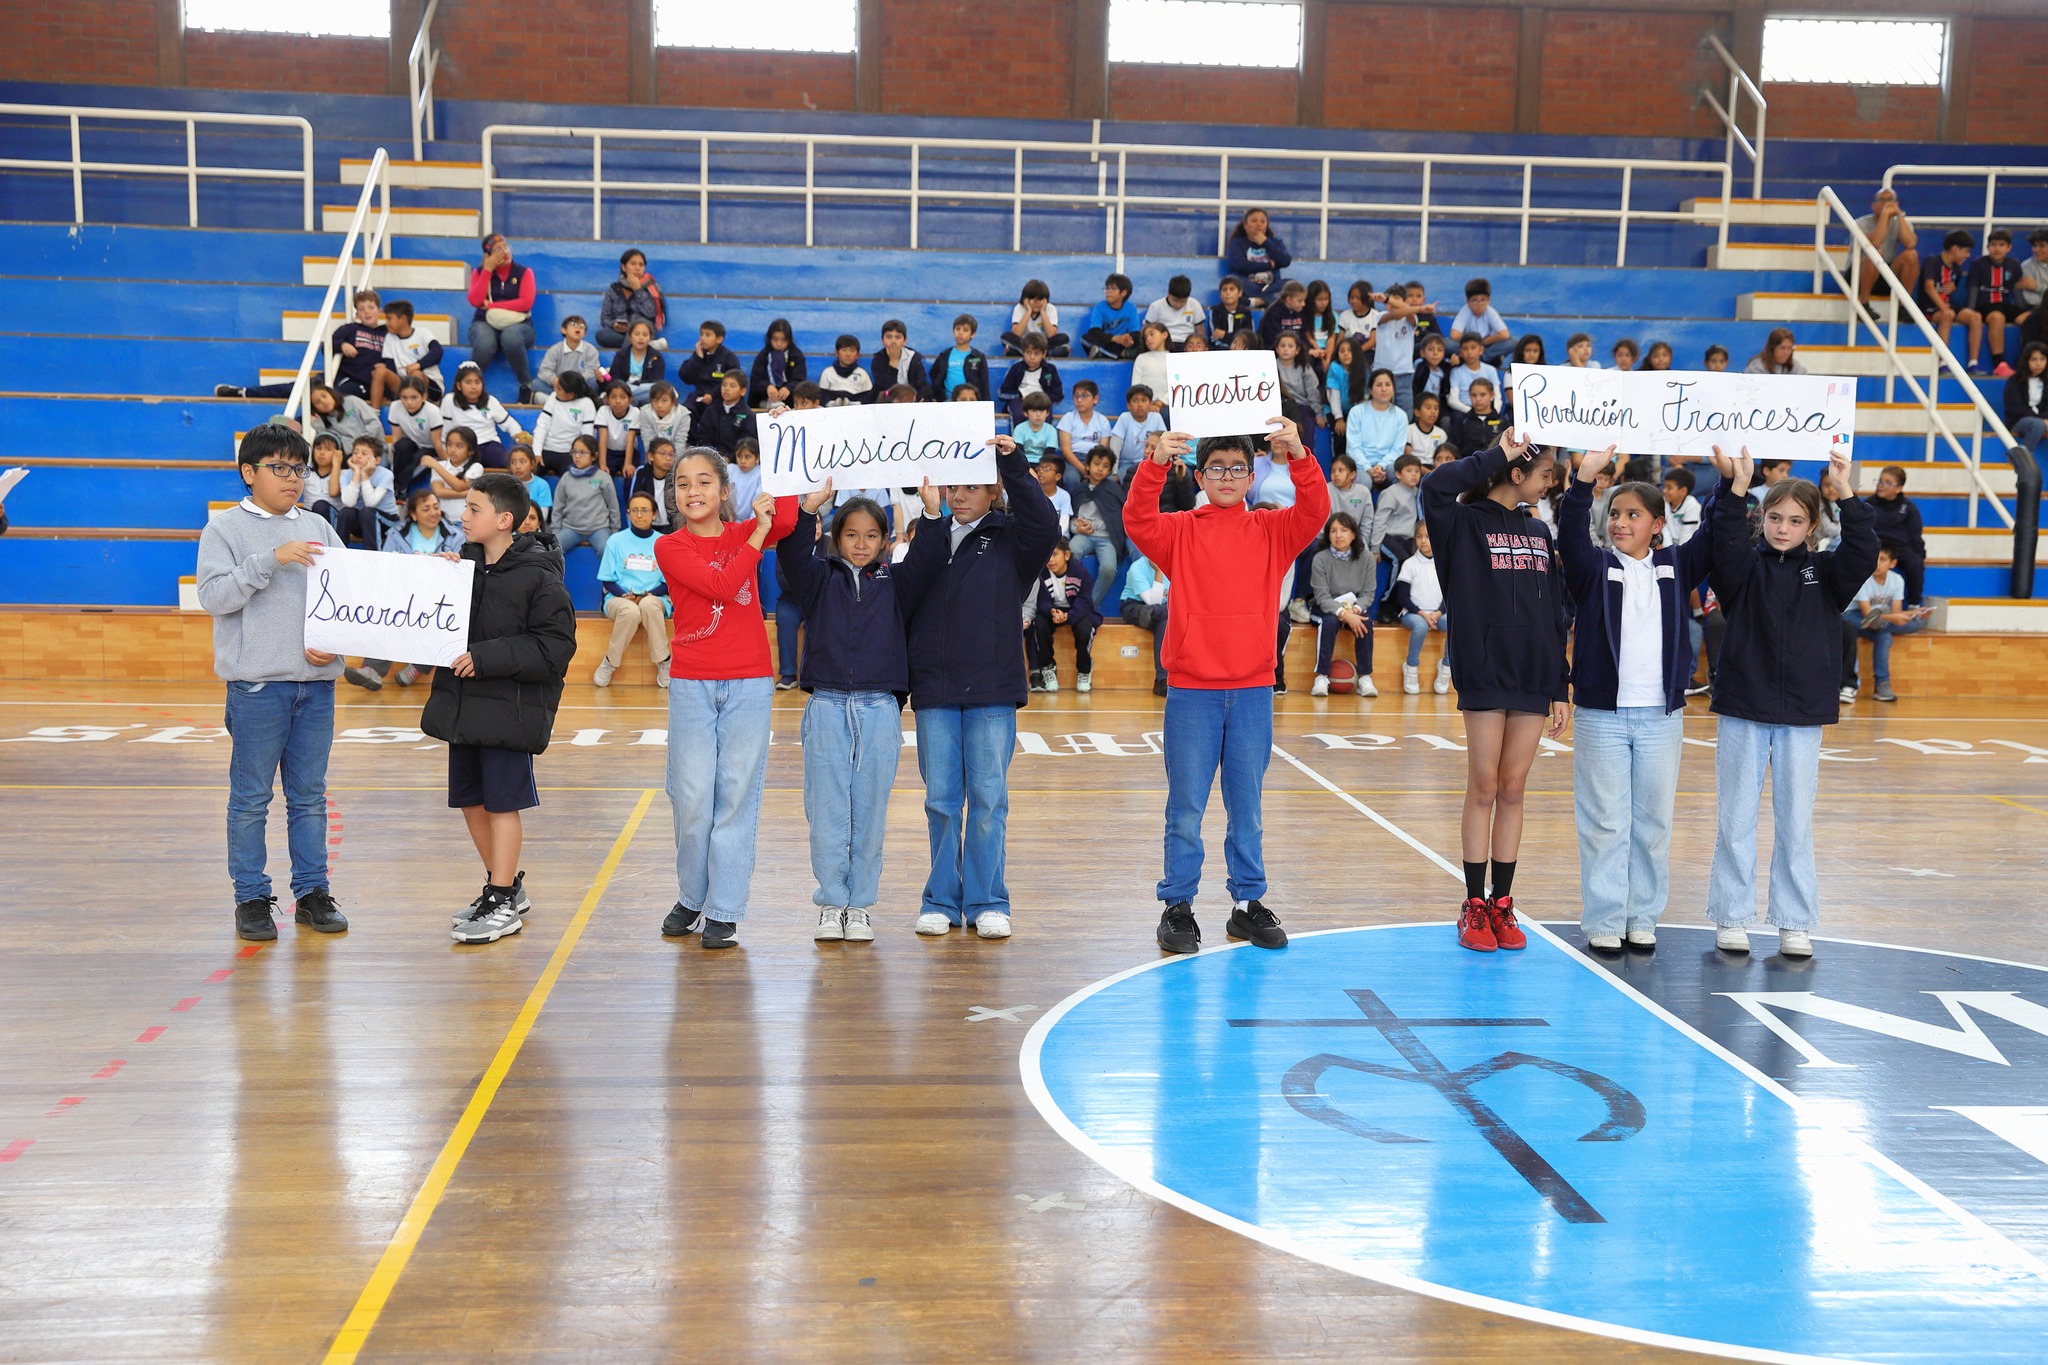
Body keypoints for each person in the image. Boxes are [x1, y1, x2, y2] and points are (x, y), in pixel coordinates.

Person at [1126, 418, 1326, 952]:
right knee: (1185, 809)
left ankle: (1246, 905)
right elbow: (1137, 518)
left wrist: (1299, 454)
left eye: (1238, 468)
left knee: (1247, 808)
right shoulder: (1179, 531)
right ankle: (1178, 906)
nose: (1229, 477)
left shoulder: (1271, 529)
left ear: (1252, 475)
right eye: (1217, 468)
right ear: (1200, 476)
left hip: (1253, 691)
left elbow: (1315, 511)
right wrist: (1155, 464)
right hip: (1192, 692)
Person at [1704, 444, 1873, 958]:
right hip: (1744, 706)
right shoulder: (1741, 570)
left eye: (1796, 520)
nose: (1783, 528)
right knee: (1735, 818)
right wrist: (1738, 487)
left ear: (1812, 526)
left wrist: (1844, 491)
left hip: (1802, 712)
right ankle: (1731, 917)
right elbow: (1723, 538)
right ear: (1762, 519)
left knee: (1796, 822)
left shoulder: (1827, 573)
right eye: (1775, 518)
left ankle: (1794, 922)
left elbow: (1864, 549)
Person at [1556, 447, 1716, 951]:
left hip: (1660, 719)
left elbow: (1717, 533)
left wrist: (1732, 486)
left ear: (1658, 525)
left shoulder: (1678, 565)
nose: (1620, 523)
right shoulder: (1594, 567)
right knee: (1604, 824)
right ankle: (1606, 921)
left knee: (1652, 824)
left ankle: (1642, 917)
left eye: (1633, 515)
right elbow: (1570, 534)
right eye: (1615, 514)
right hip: (1601, 716)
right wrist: (1583, 481)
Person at [900, 434, 1059, 940]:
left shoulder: (1014, 538)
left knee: (989, 800)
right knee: (941, 801)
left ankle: (988, 900)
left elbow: (1046, 524)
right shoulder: (926, 535)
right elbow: (905, 595)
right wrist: (929, 525)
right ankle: (940, 900)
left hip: (991, 689)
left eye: (973, 486)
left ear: (993, 492)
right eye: (955, 486)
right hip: (935, 689)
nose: (961, 495)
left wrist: (1013, 464)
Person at [196, 425, 349, 942]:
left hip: (317, 688)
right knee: (251, 800)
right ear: (249, 472)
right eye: (279, 468)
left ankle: (312, 893)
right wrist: (270, 559)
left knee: (309, 798)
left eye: (299, 468)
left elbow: (350, 596)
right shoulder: (224, 529)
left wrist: (336, 646)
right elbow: (213, 597)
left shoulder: (319, 525)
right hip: (257, 690)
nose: (292, 478)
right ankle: (251, 898)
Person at [1422, 430, 1570, 954]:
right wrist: (1496, 453)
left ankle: (1502, 903)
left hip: (1533, 674)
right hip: (1485, 671)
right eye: (1544, 473)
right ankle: (1473, 904)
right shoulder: (1460, 522)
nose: (1550, 482)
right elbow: (1435, 485)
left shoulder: (1539, 530)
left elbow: (1554, 610)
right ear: (1516, 472)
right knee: (1483, 785)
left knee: (1513, 787)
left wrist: (1559, 683)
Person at [422, 473, 577, 944]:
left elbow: (555, 648)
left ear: (505, 519)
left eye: (474, 508)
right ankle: (502, 887)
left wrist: (487, 658)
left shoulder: (540, 576)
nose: (462, 516)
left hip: (510, 711)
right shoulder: (461, 568)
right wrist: (435, 583)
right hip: (462, 708)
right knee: (470, 801)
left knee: (502, 804)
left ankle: (503, 899)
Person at [655, 448, 798, 950]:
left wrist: (784, 444)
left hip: (749, 683)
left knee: (736, 797)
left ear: (724, 490)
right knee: (691, 798)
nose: (693, 491)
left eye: (703, 482)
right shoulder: (670, 546)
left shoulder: (743, 533)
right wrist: (758, 534)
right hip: (692, 683)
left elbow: (786, 517)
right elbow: (721, 583)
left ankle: (724, 908)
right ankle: (692, 895)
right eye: (683, 483)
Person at [781, 484, 921, 943]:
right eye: (851, 535)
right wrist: (809, 508)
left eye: (871, 535)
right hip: (826, 706)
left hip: (879, 708)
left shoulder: (896, 583)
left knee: (870, 813)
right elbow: (792, 553)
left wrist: (932, 511)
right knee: (826, 812)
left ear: (885, 540)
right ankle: (831, 903)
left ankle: (859, 905)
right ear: (836, 537)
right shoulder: (819, 578)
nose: (861, 544)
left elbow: (929, 556)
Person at [343, 488, 466, 693]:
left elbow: (462, 569)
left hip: (440, 597)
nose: (433, 512)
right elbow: (386, 567)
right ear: (414, 514)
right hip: (404, 594)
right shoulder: (396, 534)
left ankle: (417, 668)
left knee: (443, 616)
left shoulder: (457, 536)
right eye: (426, 509)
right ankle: (372, 670)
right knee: (388, 610)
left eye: (436, 507)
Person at [1841, 540, 1925, 703]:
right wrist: (1894, 618)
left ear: (1892, 563)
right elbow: (1867, 614)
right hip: (1855, 616)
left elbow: (1896, 613)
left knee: (1914, 623)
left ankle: (1882, 685)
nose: (1877, 563)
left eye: (1882, 559)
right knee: (1878, 628)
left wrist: (1914, 613)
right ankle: (1882, 684)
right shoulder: (1863, 578)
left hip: (1879, 620)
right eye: (1874, 558)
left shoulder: (1897, 580)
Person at [1308, 512, 1377, 698]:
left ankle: (1365, 677)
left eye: (1344, 530)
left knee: (1365, 623)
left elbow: (1368, 593)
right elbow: (1321, 596)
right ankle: (1321, 676)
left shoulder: (1367, 558)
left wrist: (1354, 610)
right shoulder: (1320, 559)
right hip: (1325, 607)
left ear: (1353, 534)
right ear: (1328, 535)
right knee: (1329, 622)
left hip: (1354, 607)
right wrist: (1343, 614)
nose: (1338, 535)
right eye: (1333, 531)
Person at [466, 234, 537, 403]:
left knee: (510, 337)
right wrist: (487, 270)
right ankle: (470, 385)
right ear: (488, 255)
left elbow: (526, 303)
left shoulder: (524, 272)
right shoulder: (479, 273)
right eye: (498, 250)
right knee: (485, 341)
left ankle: (526, 385)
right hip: (484, 322)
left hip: (519, 324)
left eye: (506, 247)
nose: (504, 252)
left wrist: (492, 305)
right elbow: (475, 301)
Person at [1027, 541, 1098, 693]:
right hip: (1051, 611)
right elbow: (1040, 600)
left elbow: (1085, 601)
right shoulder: (1041, 573)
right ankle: (1048, 668)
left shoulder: (1080, 572)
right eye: (1047, 556)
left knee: (1084, 629)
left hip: (1075, 610)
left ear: (1066, 555)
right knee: (1039, 624)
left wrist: (1068, 616)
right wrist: (1052, 611)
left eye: (1054, 555)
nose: (1050, 560)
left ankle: (1084, 670)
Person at [1389, 520, 1450, 695]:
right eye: (1419, 536)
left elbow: (1449, 594)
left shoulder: (1444, 563)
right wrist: (1422, 613)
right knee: (1420, 626)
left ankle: (1446, 667)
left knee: (1454, 624)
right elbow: (1402, 597)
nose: (1423, 541)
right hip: (1413, 613)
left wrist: (1438, 613)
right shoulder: (1409, 564)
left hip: (1439, 614)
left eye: (1428, 537)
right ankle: (1411, 667)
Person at [1861, 464, 1928, 606]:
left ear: (1899, 488)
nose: (1881, 485)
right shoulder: (1868, 505)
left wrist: (1920, 557)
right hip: (1876, 545)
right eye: (1880, 481)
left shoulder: (1908, 508)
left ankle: (1914, 603)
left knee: (1915, 563)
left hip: (1899, 547)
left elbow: (1915, 536)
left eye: (1888, 483)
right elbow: (1862, 530)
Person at [1068, 444, 1125, 608]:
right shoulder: (1079, 490)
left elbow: (1116, 520)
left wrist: (1091, 525)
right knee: (1071, 553)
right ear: (1087, 465)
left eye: (1105, 466)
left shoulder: (1114, 491)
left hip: (1106, 539)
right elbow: (1072, 518)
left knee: (1109, 568)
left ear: (1109, 471)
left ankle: (1089, 605)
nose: (1100, 469)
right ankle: (1072, 599)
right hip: (1083, 536)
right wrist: (1077, 528)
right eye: (1096, 464)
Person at [1961, 228, 2023, 375]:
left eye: (2001, 245)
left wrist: (2022, 309)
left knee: (2028, 318)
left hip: (2004, 305)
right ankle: (1999, 363)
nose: (1997, 248)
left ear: (2009, 247)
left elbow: (2016, 292)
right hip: (1984, 306)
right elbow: (1973, 290)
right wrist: (1971, 310)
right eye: (1993, 244)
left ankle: (2027, 358)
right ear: (1987, 247)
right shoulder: (1978, 264)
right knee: (1997, 317)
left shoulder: (2014, 265)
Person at [441, 361, 523, 469]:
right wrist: (445, 452)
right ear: (459, 385)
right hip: (462, 445)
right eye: (468, 382)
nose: (473, 387)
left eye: (477, 382)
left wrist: (520, 440)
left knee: (503, 463)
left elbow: (509, 423)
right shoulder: (449, 400)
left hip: (489, 444)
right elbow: (445, 430)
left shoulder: (490, 401)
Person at [553, 434, 621, 567]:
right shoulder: (566, 478)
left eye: (583, 452)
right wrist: (556, 531)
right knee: (552, 550)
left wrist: (614, 532)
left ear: (594, 456)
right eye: (574, 452)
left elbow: (613, 506)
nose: (577, 456)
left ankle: (607, 581)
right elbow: (558, 506)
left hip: (598, 529)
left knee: (607, 550)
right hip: (571, 528)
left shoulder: (603, 477)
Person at [1854, 187, 1922, 310]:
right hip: (1858, 275)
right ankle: (1863, 304)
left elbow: (1911, 243)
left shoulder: (1900, 222)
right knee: (1876, 253)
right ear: (1873, 206)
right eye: (1882, 200)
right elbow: (1876, 242)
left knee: (1911, 255)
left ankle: (1904, 306)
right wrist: (1884, 216)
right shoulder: (1861, 223)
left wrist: (1899, 215)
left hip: (1885, 274)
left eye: (1890, 200)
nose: (1886, 204)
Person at [372, 299, 445, 408]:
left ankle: (422, 411)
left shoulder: (422, 333)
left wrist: (418, 365)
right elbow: (391, 368)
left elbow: (438, 351)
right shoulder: (389, 338)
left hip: (430, 385)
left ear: (403, 319)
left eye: (389, 319)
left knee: (416, 374)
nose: (386, 323)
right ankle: (374, 413)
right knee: (380, 371)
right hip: (403, 384)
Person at [1345, 368, 1407, 483]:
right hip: (1360, 465)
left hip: (1388, 465)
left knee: (1401, 475)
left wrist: (1381, 466)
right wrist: (1368, 468)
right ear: (1370, 390)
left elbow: (1397, 450)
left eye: (1388, 384)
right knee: (1364, 481)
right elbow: (1353, 448)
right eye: (1379, 385)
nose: (1384, 389)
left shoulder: (1401, 415)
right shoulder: (1356, 412)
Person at [325, 288, 388, 401]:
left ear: (379, 311)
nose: (367, 312)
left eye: (371, 307)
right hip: (344, 376)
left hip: (365, 384)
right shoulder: (349, 329)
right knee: (309, 386)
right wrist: (342, 345)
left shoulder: (387, 333)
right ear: (357, 314)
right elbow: (327, 346)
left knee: (332, 396)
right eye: (362, 309)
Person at [598, 248, 666, 350]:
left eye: (641, 265)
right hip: (620, 334)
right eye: (633, 264)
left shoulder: (651, 288)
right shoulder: (614, 289)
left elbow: (651, 313)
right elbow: (605, 318)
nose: (637, 268)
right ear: (624, 267)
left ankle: (632, 350)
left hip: (642, 332)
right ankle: (648, 345)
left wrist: (638, 290)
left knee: (637, 328)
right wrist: (614, 325)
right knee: (602, 335)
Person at [532, 370, 597, 476]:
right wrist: (537, 453)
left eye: (559, 389)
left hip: (569, 453)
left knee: (571, 479)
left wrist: (579, 455)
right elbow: (542, 426)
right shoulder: (553, 397)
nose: (555, 390)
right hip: (547, 449)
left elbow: (587, 436)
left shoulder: (586, 404)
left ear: (571, 395)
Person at [1225, 207, 1291, 307]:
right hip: (1248, 286)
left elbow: (1285, 261)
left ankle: (1258, 301)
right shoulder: (1237, 243)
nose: (1258, 224)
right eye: (1254, 221)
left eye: (1262, 221)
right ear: (1245, 225)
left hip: (1270, 286)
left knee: (1290, 284)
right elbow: (1236, 264)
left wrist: (1265, 242)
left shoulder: (1275, 243)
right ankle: (1268, 299)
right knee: (1233, 280)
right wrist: (1269, 265)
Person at [336, 435, 396, 546]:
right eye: (355, 453)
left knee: (367, 512)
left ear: (377, 460)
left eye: (364, 454)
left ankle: (373, 553)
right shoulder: (345, 474)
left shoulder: (386, 474)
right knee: (346, 512)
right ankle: (338, 550)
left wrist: (364, 475)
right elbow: (349, 503)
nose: (358, 456)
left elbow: (370, 503)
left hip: (387, 521)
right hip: (363, 520)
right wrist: (356, 474)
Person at [678, 320, 743, 413]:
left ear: (719, 339)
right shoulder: (698, 355)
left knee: (712, 412)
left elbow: (734, 381)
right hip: (700, 395)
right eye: (701, 334)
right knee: (685, 412)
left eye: (707, 335)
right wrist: (698, 359)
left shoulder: (728, 357)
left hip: (720, 397)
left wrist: (712, 395)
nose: (703, 338)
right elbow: (686, 378)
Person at [998, 335, 1063, 426]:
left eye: (1036, 353)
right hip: (1020, 401)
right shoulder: (1016, 368)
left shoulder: (1050, 370)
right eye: (1028, 353)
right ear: (1023, 352)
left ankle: (1043, 436)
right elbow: (1003, 393)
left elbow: (1058, 395)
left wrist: (1041, 398)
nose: (1032, 357)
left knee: (1045, 414)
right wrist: (1020, 395)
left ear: (1044, 354)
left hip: (1042, 401)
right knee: (1019, 413)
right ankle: (1017, 435)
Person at [1056, 380, 1113, 480]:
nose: (1079, 400)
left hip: (1095, 460)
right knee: (1071, 478)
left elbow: (1102, 451)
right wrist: (1084, 470)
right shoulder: (1068, 419)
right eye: (1076, 396)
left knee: (1109, 479)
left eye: (1084, 396)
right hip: (1072, 460)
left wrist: (1093, 468)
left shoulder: (1102, 421)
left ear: (1095, 399)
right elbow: (1066, 450)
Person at [305, 381, 383, 449]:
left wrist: (361, 443)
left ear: (330, 393)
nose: (323, 402)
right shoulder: (324, 423)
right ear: (315, 408)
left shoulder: (352, 401)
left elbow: (375, 423)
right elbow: (332, 444)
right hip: (352, 455)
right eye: (318, 402)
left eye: (324, 396)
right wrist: (320, 428)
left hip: (375, 449)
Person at [1450, 278, 1512, 365]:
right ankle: (1486, 358)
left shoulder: (1490, 312)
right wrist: (1473, 344)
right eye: (1475, 300)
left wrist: (1482, 343)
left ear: (1489, 300)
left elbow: (1504, 334)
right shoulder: (1465, 311)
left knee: (1512, 343)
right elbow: (1454, 334)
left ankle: (1474, 358)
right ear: (1468, 301)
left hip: (1486, 345)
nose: (1479, 304)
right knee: (1447, 344)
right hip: (1469, 346)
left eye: (1483, 300)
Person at [536, 314, 602, 395]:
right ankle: (568, 397)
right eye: (574, 325)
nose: (578, 328)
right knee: (536, 384)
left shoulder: (591, 350)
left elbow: (592, 371)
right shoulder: (555, 349)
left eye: (582, 327)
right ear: (564, 330)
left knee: (593, 383)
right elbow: (545, 370)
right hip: (560, 385)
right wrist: (555, 380)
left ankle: (558, 398)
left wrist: (575, 382)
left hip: (579, 385)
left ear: (585, 334)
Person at [749, 318, 808, 408]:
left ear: (789, 340)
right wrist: (767, 387)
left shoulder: (797, 356)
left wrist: (789, 388)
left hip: (790, 403)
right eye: (775, 339)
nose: (779, 344)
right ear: (769, 338)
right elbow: (755, 381)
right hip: (763, 400)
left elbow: (800, 380)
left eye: (783, 340)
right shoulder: (763, 356)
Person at [1109, 384, 1165, 479]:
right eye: (1135, 401)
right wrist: (1114, 472)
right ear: (1128, 405)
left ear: (1150, 404)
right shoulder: (1124, 418)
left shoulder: (1156, 418)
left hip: (1152, 463)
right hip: (1128, 464)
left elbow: (1164, 444)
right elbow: (1115, 447)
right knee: (1128, 478)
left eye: (1144, 400)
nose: (1140, 405)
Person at [1081, 272, 1142, 359]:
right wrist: (1116, 338)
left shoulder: (1131, 308)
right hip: (1106, 341)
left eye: (1113, 289)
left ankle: (1104, 354)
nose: (1108, 292)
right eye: (1107, 289)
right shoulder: (1100, 307)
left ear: (1123, 293)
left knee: (1141, 340)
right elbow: (1095, 331)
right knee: (1085, 338)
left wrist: (1128, 339)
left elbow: (1135, 332)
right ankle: (1120, 354)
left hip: (1122, 344)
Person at [1004, 278, 1069, 356]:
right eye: (1033, 299)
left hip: (1044, 344)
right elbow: (1016, 334)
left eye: (1040, 299)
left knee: (1063, 338)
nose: (1037, 302)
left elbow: (1051, 335)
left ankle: (1040, 353)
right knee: (1005, 337)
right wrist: (1028, 311)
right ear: (1025, 299)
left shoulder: (1050, 308)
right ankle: (1030, 353)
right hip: (1025, 344)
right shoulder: (1019, 308)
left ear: (1046, 300)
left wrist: (1043, 312)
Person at [696, 371, 756, 455]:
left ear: (743, 391)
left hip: (736, 460)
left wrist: (730, 458)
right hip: (711, 458)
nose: (726, 389)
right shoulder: (711, 410)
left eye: (732, 386)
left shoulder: (748, 415)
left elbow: (747, 444)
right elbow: (703, 438)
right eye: (724, 385)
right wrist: (713, 456)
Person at [868, 319, 931, 400]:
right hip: (887, 401)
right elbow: (885, 387)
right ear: (882, 341)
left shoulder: (914, 358)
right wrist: (893, 362)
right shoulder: (878, 359)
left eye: (898, 337)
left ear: (904, 341)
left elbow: (922, 385)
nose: (893, 341)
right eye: (889, 337)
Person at [610, 319, 667, 405]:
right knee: (619, 392)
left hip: (645, 392)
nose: (641, 338)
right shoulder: (621, 355)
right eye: (637, 334)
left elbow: (656, 381)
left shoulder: (656, 357)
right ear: (630, 337)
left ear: (650, 338)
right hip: (624, 390)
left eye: (645, 335)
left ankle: (631, 398)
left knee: (655, 390)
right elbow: (615, 379)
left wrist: (636, 385)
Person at [2006, 340, 2048, 453]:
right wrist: (2043, 421)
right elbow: (2016, 409)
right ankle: (2021, 460)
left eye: (2042, 359)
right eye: (2034, 359)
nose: (2039, 363)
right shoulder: (2014, 381)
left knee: (2040, 424)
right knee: (2038, 425)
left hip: (2043, 420)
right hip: (2019, 421)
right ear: (2026, 361)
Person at [1144, 275, 1206, 348]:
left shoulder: (1194, 304)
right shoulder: (1156, 306)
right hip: (1164, 343)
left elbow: (1200, 331)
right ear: (1168, 294)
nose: (1178, 305)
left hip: (1187, 344)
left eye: (1183, 301)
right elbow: (1146, 329)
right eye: (1175, 300)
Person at [819, 333, 876, 405]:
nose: (848, 354)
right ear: (836, 353)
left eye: (852, 351)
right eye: (844, 350)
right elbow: (822, 393)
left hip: (855, 402)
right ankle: (833, 404)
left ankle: (851, 404)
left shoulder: (862, 373)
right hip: (833, 402)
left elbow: (868, 394)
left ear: (858, 355)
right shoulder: (828, 372)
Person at [1209, 275, 1254, 348]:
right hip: (1220, 349)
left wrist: (1225, 335)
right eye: (1224, 290)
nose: (1228, 293)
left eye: (1231, 289)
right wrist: (1232, 345)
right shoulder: (1215, 311)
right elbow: (1215, 336)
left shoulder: (1245, 312)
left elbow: (1248, 337)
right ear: (1220, 295)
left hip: (1241, 349)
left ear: (1240, 293)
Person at [1661, 465, 1701, 545]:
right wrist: (1669, 550)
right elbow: (1664, 530)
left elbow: (1688, 533)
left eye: (1669, 488)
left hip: (1689, 546)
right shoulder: (1664, 503)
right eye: (1664, 487)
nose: (1664, 491)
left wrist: (1679, 551)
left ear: (1683, 491)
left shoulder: (1691, 504)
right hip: (1670, 546)